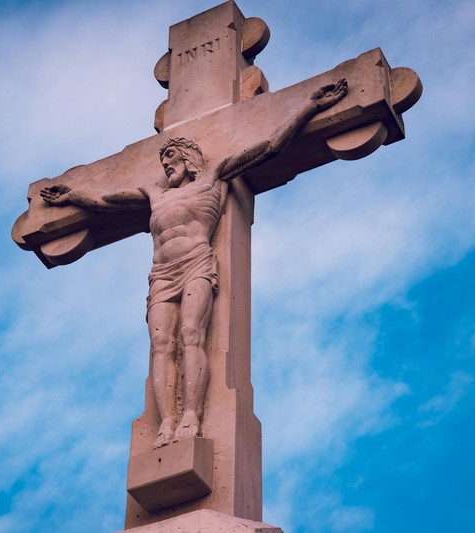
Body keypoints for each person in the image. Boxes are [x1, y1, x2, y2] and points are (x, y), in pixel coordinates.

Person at [41, 79, 348, 448]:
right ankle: (167, 421)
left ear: (187, 158)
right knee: (161, 344)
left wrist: (310, 107)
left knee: (191, 334)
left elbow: (270, 147)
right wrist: (72, 195)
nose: (165, 165)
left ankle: (191, 414)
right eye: (163, 161)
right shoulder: (154, 194)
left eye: (170, 158)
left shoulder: (214, 177)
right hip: (161, 274)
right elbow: (105, 202)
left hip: (196, 264)